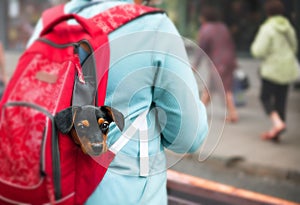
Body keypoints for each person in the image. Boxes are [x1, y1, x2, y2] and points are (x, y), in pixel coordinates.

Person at [28, 0, 208, 204]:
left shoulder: (47, 24)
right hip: (124, 194)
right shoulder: (155, 26)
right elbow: (188, 137)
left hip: (48, 189)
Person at [251, 0, 299, 142]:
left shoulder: (267, 28)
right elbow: (294, 47)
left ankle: (277, 124)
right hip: (287, 69)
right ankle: (277, 133)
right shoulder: (288, 26)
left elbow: (258, 51)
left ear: (267, 13)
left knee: (265, 97)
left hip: (272, 69)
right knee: (281, 101)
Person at [194, 5, 239, 123]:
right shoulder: (223, 27)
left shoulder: (205, 29)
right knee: (210, 87)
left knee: (224, 88)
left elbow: (200, 50)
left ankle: (233, 113)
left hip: (218, 63)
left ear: (203, 18)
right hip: (229, 61)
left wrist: (195, 65)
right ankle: (200, 111)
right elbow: (230, 44)